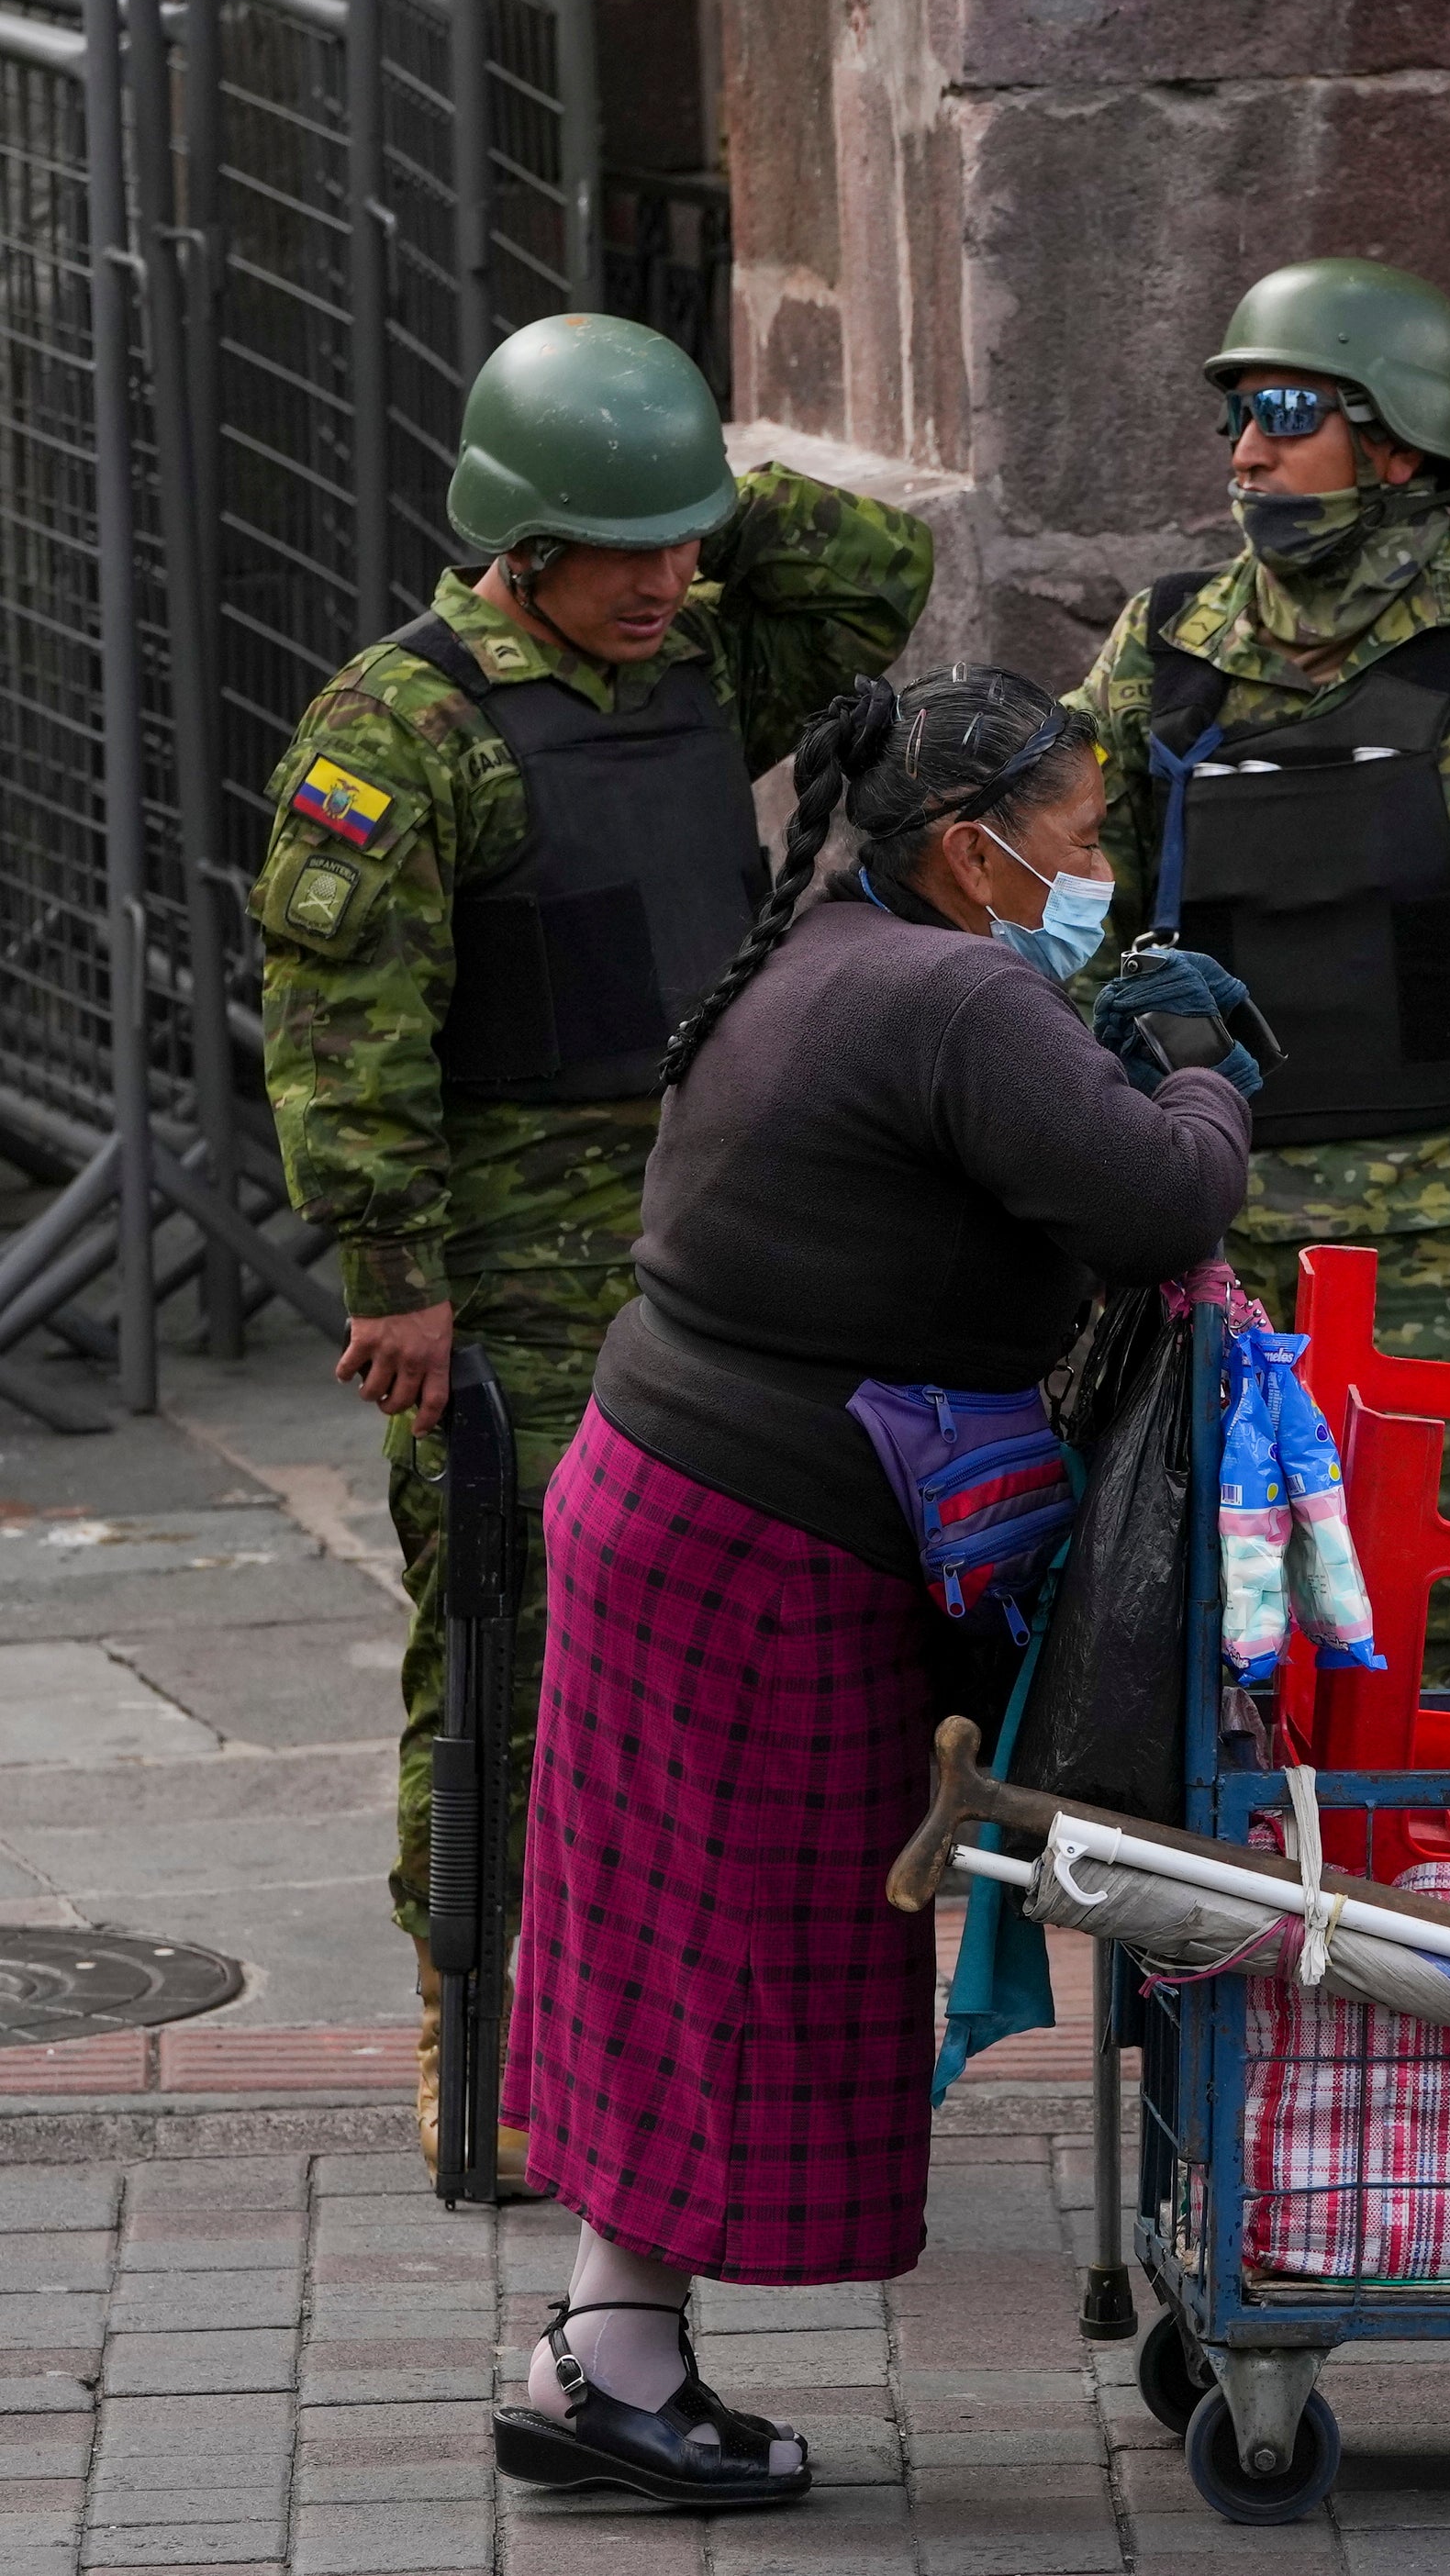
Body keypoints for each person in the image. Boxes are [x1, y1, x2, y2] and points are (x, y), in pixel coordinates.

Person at [489, 665, 1253, 2507]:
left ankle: (604, 2344)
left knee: (669, 1935)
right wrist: (1213, 1079)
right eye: (1076, 832)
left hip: (670, 1491)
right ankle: (609, 2366)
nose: (1098, 863)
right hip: (755, 1533)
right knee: (736, 1950)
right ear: (975, 854)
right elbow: (1160, 1206)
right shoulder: (954, 992)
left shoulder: (837, 948)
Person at [250, 314, 932, 2191]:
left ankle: (669, 2032)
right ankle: (476, 2036)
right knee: (502, 1655)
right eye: (620, 544)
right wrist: (391, 1269)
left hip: (716, 1241)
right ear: (515, 535)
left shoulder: (704, 663)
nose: (663, 580)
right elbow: (342, 1027)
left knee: (727, 1651)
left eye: (682, 540)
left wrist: (693, 476)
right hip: (514, 1283)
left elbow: (882, 575)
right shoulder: (399, 726)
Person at [1066, 257, 1450, 1684]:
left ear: (1398, 439)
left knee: (1412, 1632)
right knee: (1193, 1625)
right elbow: (1069, 916)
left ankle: (1396, 1909)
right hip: (1207, 1226)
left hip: (1449, 1245)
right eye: (1234, 415)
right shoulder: (1163, 650)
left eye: (1286, 411)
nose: (1246, 451)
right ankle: (1226, 1918)